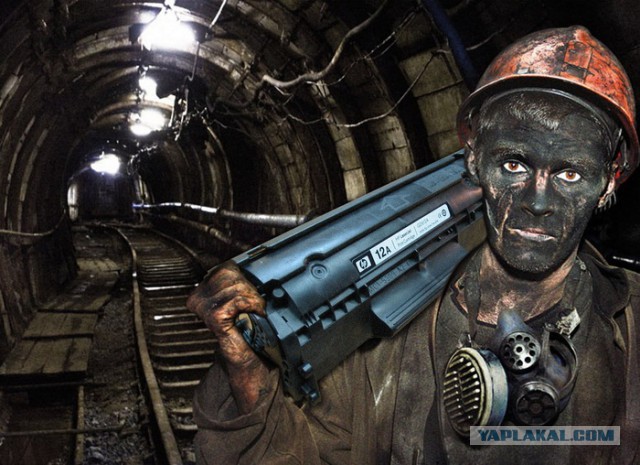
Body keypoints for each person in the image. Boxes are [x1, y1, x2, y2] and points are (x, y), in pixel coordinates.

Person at [187, 26, 640, 464]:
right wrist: (247, 374)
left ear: (608, 183)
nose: (538, 202)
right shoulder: (387, 325)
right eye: (514, 165)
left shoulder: (630, 327)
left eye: (570, 174)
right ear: (474, 160)